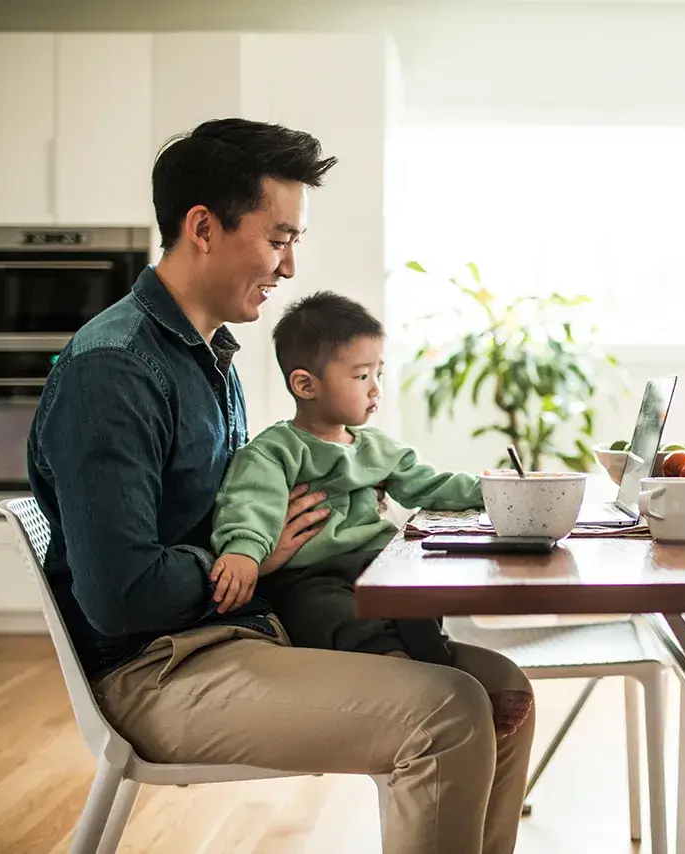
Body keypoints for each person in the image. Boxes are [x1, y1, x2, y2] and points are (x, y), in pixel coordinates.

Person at [26, 118, 535, 854]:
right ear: (203, 226)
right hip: (160, 669)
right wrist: (249, 561)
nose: (290, 268)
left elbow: (238, 504)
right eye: (278, 238)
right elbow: (119, 592)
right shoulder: (115, 371)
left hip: (241, 631)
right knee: (449, 709)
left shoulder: (208, 358)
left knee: (500, 685)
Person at [207, 291, 533, 734]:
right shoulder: (273, 452)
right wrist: (244, 552)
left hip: (381, 565)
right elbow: (251, 506)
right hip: (313, 574)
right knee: (324, 610)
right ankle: (395, 669)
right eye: (362, 376)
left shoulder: (379, 448)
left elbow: (430, 485)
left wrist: (493, 490)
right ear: (306, 385)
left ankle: (444, 673)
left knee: (416, 599)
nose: (376, 388)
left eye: (378, 372)